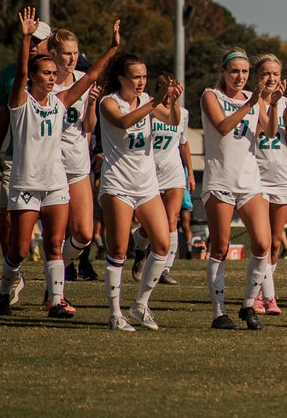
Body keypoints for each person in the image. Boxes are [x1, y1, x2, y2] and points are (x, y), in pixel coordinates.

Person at [0, 8, 117, 318]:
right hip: (25, 183)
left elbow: (90, 76)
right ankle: (5, 289)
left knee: (54, 246)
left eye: (53, 74)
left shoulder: (60, 102)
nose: (52, 79)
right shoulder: (20, 102)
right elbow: (21, 71)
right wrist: (25, 38)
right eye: (46, 74)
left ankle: (57, 300)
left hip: (55, 184)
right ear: (33, 77)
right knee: (19, 250)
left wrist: (113, 48)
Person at [98, 54, 179, 331]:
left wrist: (173, 99)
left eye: (144, 76)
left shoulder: (147, 101)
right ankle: (114, 313)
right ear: (122, 78)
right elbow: (123, 122)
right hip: (118, 183)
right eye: (136, 76)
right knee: (118, 250)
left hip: (146, 184)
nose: (142, 81)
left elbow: (170, 118)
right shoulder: (108, 102)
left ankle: (140, 305)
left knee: (162, 244)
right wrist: (157, 99)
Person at [200, 50, 276, 331]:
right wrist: (252, 104)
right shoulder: (211, 95)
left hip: (248, 180)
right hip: (220, 180)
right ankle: (219, 312)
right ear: (223, 72)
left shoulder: (252, 99)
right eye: (234, 71)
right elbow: (222, 126)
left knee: (262, 243)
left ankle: (247, 305)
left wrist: (271, 104)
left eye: (244, 72)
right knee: (220, 246)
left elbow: (268, 133)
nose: (240, 77)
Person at [0, 19, 52, 308]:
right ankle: (12, 275)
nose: (36, 45)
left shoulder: (56, 75)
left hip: (50, 165)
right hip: (15, 158)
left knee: (57, 231)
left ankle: (56, 289)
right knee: (7, 220)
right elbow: (1, 115)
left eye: (40, 40)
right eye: (31, 39)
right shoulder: (12, 73)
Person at [50, 28, 100, 286]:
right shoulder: (45, 82)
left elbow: (88, 126)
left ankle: (63, 265)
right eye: (66, 54)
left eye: (75, 53)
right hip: (50, 166)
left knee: (83, 234)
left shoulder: (84, 79)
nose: (71, 59)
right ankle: (54, 292)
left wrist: (91, 104)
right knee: (55, 234)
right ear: (53, 54)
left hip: (78, 163)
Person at [253, 55, 287, 316]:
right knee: (261, 240)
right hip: (256, 178)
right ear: (256, 77)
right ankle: (264, 296)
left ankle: (262, 291)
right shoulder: (249, 101)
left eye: (275, 74)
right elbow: (260, 133)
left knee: (274, 242)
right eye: (265, 74)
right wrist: (269, 107)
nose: (270, 79)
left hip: (282, 177)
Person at [138, 72, 192, 287]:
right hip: (151, 170)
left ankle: (165, 268)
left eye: (173, 92)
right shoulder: (149, 110)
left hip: (174, 172)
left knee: (172, 219)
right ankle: (140, 249)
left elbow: (183, 143)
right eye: (167, 92)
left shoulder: (183, 114)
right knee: (149, 224)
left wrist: (189, 172)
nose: (170, 97)